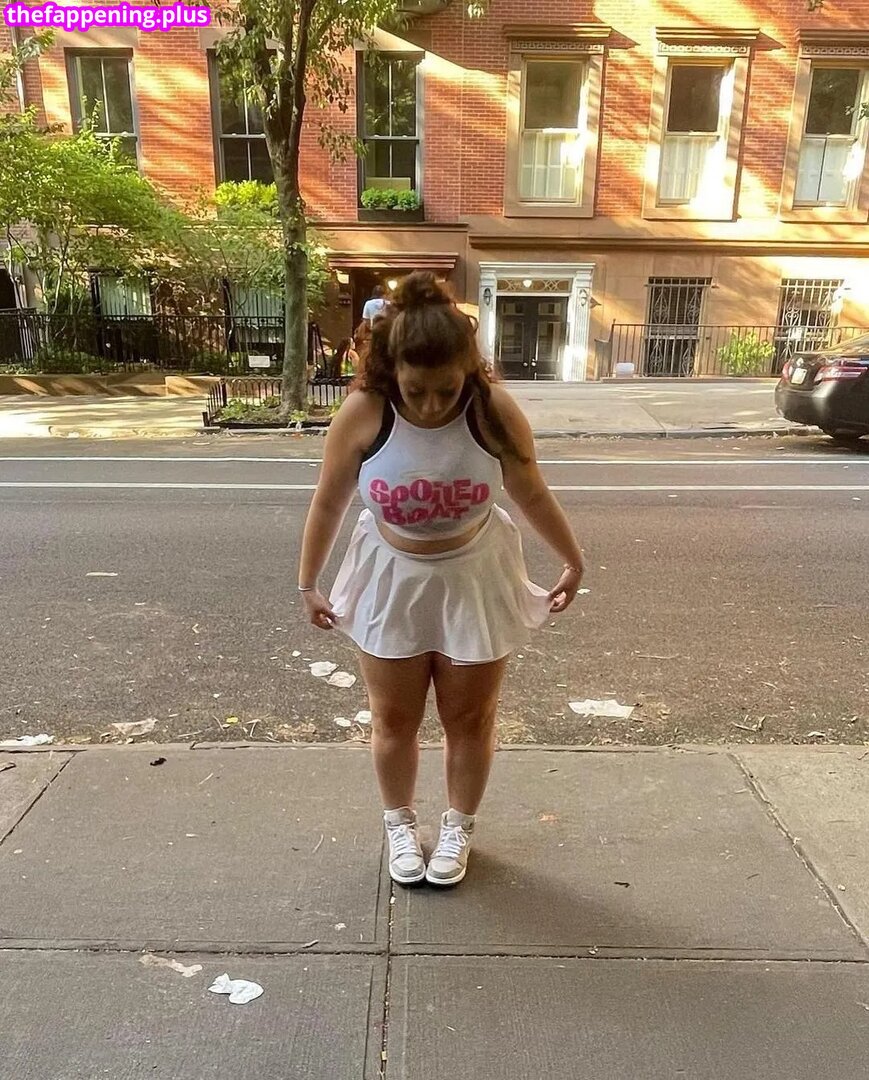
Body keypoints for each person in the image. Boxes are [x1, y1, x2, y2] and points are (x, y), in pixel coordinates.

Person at [297, 272, 584, 888]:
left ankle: (459, 825)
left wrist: (571, 558)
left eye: (446, 389)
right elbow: (328, 500)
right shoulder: (364, 413)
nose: (431, 406)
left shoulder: (492, 411)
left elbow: (530, 490)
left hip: (475, 573)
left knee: (470, 717)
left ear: (469, 370)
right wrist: (308, 582)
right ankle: (399, 823)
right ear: (392, 371)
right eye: (416, 390)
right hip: (390, 575)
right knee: (393, 717)